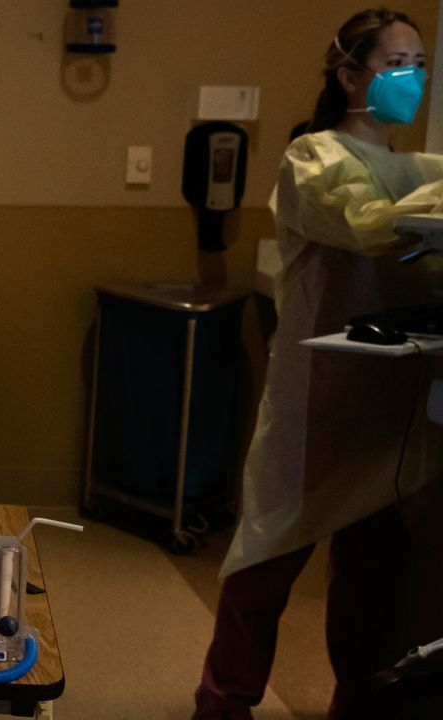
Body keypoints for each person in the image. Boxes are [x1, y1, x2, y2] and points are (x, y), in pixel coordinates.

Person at [193, 8, 443, 719]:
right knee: (260, 574)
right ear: (348, 73)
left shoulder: (421, 168)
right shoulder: (313, 159)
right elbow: (366, 223)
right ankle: (222, 705)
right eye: (398, 62)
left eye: (421, 63)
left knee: (372, 592)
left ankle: (356, 707)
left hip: (397, 417)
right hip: (319, 407)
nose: (414, 78)